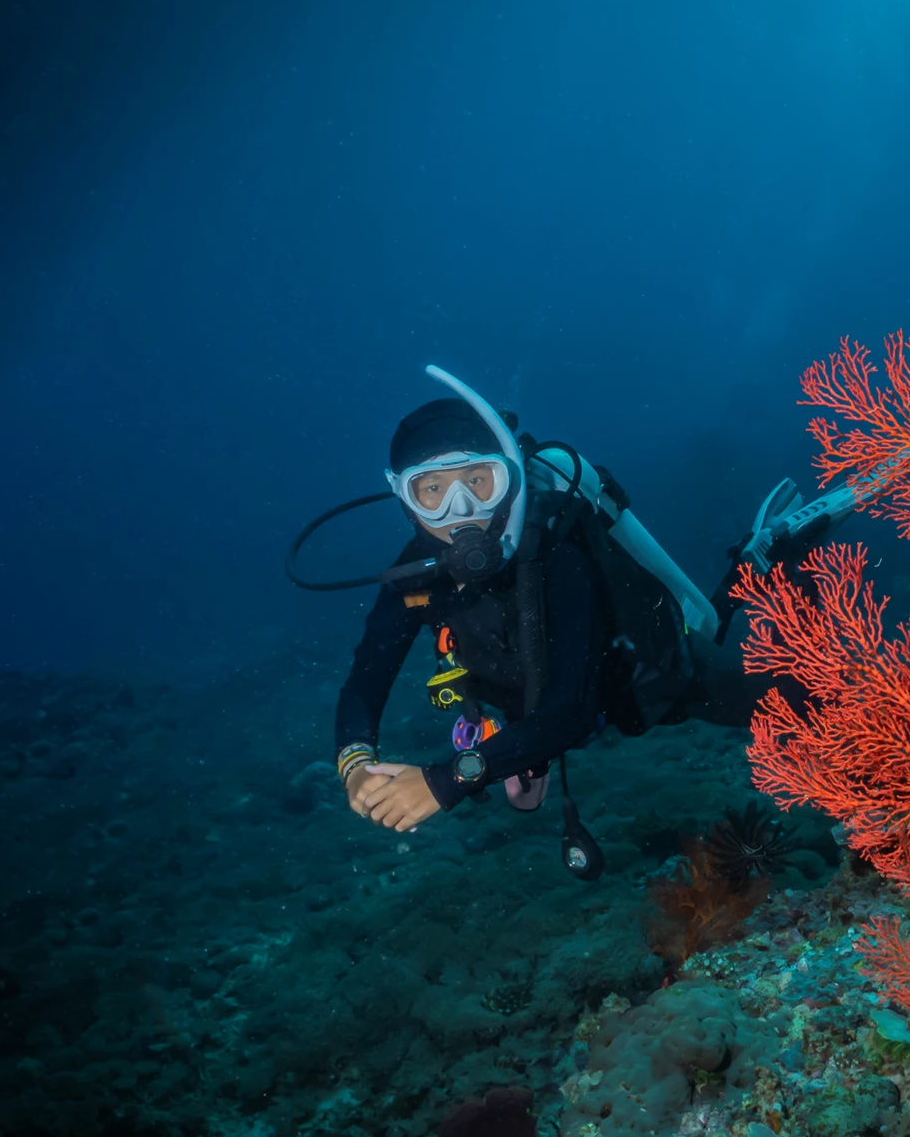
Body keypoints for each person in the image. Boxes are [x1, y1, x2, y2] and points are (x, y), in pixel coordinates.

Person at [319, 367, 845, 867]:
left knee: (803, 705)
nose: (460, 508)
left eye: (479, 481)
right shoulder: (414, 575)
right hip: (524, 707)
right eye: (432, 490)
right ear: (403, 495)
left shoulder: (552, 555)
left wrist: (446, 780)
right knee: (519, 791)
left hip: (641, 680)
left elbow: (568, 713)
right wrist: (355, 765)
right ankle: (750, 566)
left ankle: (776, 557)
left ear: (510, 476)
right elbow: (367, 679)